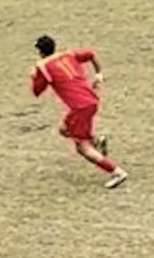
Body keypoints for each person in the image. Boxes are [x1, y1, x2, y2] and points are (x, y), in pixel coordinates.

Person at [29, 36, 127, 188]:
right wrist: (98, 74)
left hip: (79, 108)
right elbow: (90, 54)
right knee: (63, 129)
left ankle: (116, 172)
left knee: (83, 148)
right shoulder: (68, 54)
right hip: (90, 100)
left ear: (40, 52)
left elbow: (37, 91)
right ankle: (96, 141)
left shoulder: (43, 66)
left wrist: (34, 77)